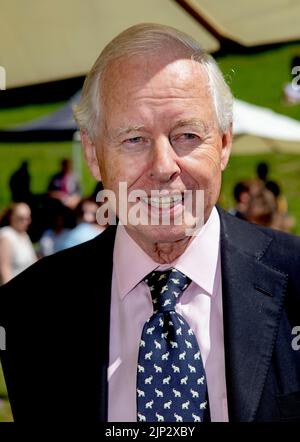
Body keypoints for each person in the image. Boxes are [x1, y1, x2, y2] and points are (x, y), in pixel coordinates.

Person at [0, 24, 299, 423]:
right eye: (134, 139)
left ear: (224, 144)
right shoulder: (29, 310)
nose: (162, 167)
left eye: (187, 135)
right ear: (93, 154)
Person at [0, 203, 36, 285]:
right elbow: (4, 268)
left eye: (28, 218)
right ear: (11, 217)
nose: (25, 222)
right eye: (21, 218)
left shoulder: (24, 235)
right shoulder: (6, 235)